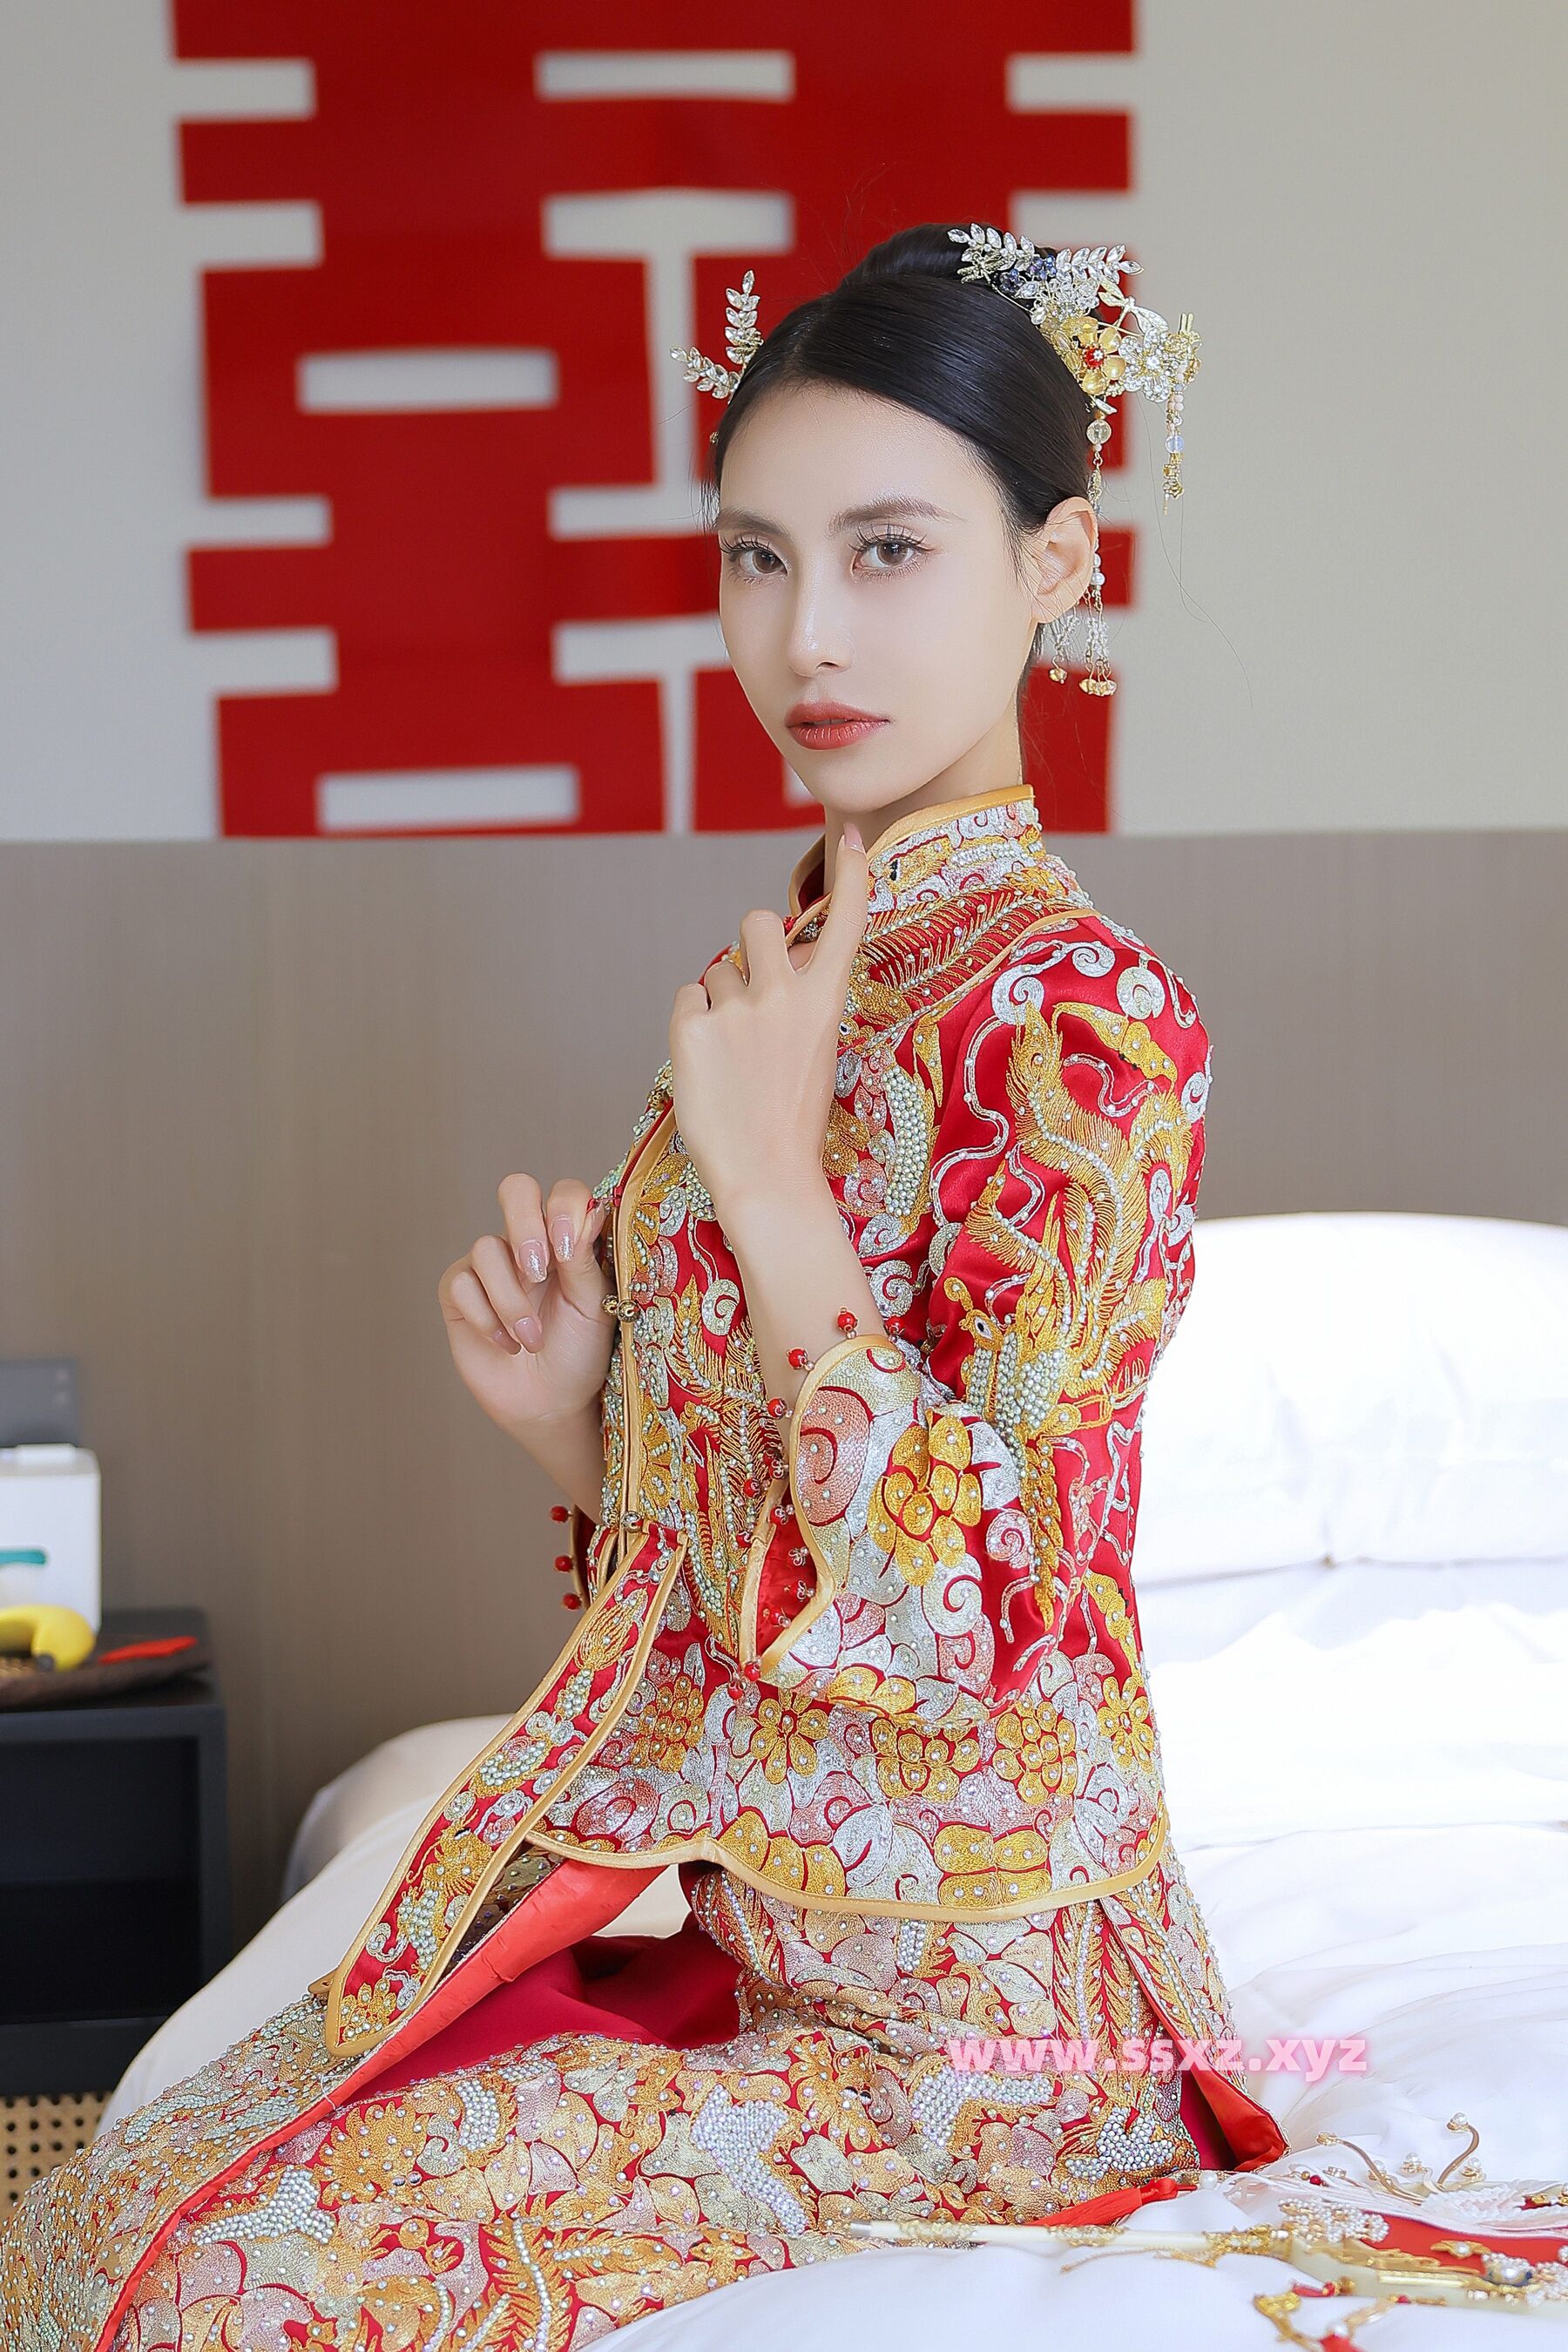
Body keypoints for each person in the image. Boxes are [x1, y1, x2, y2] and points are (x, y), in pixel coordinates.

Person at [3, 220, 1284, 2352]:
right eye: (756, 558)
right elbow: (754, 1576)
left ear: (1056, 564)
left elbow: (975, 1633)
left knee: (214, 2274)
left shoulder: (1092, 1023)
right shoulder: (781, 978)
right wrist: (576, 1422)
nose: (806, 635)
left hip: (989, 2028)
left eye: (889, 552)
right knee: (120, 2213)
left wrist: (771, 1192)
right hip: (763, 1931)